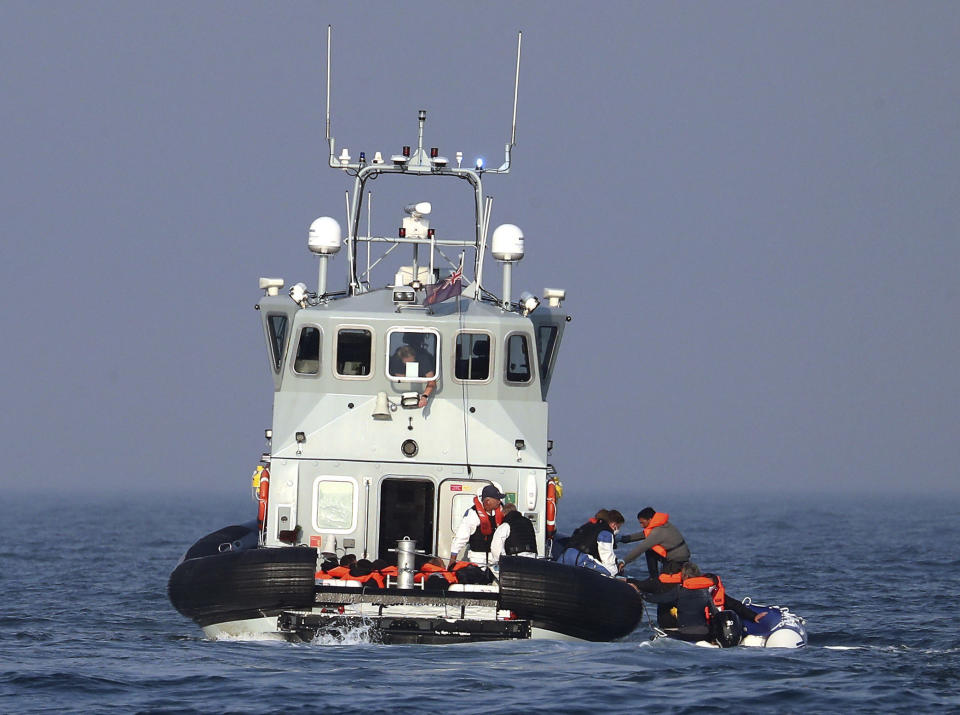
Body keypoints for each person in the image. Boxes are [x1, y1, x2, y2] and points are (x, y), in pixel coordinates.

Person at [642, 562, 767, 642]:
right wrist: (753, 616)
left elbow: (657, 599)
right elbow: (723, 610)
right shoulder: (706, 592)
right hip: (706, 634)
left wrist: (641, 594)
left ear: (684, 577)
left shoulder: (678, 591)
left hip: (685, 635)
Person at [619, 507, 691, 578]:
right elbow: (641, 535)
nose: (641, 526)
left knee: (663, 582)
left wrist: (624, 561)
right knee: (650, 551)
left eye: (642, 523)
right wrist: (622, 539)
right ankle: (653, 577)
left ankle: (653, 580)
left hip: (676, 560)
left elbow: (641, 548)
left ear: (650, 519)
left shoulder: (657, 532)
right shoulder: (663, 525)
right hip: (680, 557)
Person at [448, 484, 505, 568]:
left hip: (496, 559)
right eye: (497, 499)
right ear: (488, 501)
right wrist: (451, 563)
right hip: (478, 558)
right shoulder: (473, 514)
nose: (499, 501)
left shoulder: (501, 511)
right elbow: (460, 539)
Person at [559, 509, 625, 576]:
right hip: (581, 558)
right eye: (619, 527)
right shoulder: (606, 532)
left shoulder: (586, 527)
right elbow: (608, 559)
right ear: (614, 525)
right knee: (611, 572)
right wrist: (616, 571)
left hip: (565, 555)